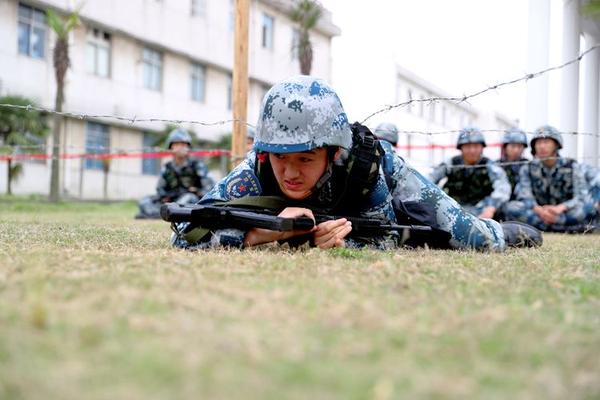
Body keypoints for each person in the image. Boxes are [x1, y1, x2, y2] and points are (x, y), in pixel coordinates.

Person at [171, 75, 541, 250]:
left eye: (305, 158)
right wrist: (262, 233)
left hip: (388, 186)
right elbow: (186, 236)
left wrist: (342, 244)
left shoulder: (366, 167)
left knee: (473, 239)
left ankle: (500, 230)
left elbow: (386, 238)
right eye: (281, 158)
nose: (290, 172)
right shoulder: (258, 165)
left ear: (333, 153)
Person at [503, 125, 597, 232]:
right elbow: (524, 194)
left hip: (563, 212)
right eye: (538, 143)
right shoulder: (528, 168)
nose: (542, 146)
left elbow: (580, 196)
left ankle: (553, 225)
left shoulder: (571, 166)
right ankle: (562, 227)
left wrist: (560, 208)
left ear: (556, 145)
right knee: (511, 207)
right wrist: (538, 210)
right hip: (539, 213)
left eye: (546, 142)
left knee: (588, 207)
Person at [429, 126, 511, 219]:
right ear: (461, 147)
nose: (472, 150)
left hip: (480, 210)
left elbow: (503, 188)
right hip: (452, 209)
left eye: (476, 146)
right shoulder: (451, 163)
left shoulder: (489, 165)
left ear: (482, 147)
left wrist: (491, 207)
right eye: (468, 146)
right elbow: (430, 178)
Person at [136, 128, 214, 219]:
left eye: (183, 144)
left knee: (188, 198)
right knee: (145, 201)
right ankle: (164, 213)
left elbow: (209, 188)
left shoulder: (197, 166)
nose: (180, 147)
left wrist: (196, 191)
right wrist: (165, 197)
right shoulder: (167, 168)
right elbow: (160, 189)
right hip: (171, 200)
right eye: (176, 144)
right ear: (171, 147)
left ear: (188, 147)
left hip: (190, 200)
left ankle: (161, 214)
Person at [497, 127, 529, 200]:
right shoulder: (497, 165)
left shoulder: (529, 165)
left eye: (519, 146)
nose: (516, 150)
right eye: (513, 146)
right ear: (505, 147)